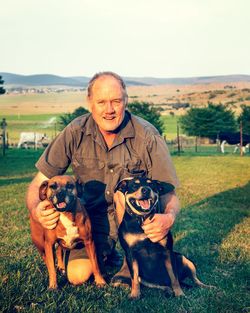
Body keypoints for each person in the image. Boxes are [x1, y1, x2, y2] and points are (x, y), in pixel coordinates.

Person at [26, 71, 180, 286]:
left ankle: (130, 263)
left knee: (122, 192)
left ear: (126, 101)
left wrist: (168, 218)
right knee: (78, 275)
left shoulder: (148, 136)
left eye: (116, 101)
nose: (109, 110)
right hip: (91, 219)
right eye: (102, 102)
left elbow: (168, 192)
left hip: (134, 221)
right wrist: (37, 210)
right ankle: (108, 254)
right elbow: (37, 183)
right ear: (90, 103)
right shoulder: (74, 132)